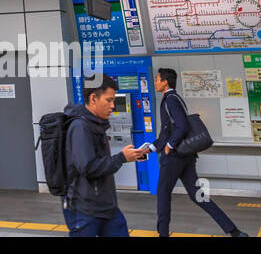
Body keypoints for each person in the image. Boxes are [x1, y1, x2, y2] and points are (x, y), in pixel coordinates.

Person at [153, 68, 244, 237]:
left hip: (174, 158)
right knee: (198, 196)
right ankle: (234, 231)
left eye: (157, 79)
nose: (155, 82)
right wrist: (152, 147)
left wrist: (169, 146)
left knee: (163, 194)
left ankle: (163, 234)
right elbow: (167, 130)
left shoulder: (170, 100)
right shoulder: (177, 99)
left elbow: (181, 127)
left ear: (165, 82)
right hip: (187, 156)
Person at [63, 74, 143, 236]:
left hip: (106, 207)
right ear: (93, 99)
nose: (113, 105)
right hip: (85, 210)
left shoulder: (96, 124)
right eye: (109, 100)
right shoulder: (80, 127)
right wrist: (121, 158)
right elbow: (88, 167)